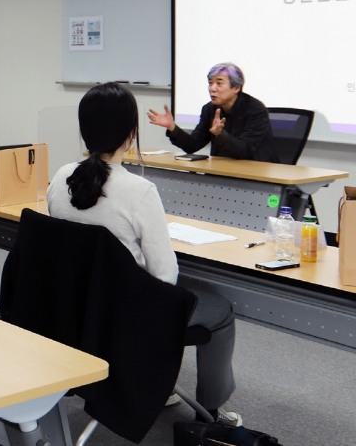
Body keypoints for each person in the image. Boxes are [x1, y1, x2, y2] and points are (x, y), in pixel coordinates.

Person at [47, 82, 242, 426]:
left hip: (73, 311)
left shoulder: (61, 176)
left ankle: (156, 383)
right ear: (130, 134)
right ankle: (210, 413)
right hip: (126, 318)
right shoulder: (139, 191)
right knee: (221, 310)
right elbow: (165, 278)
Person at [147, 62, 278, 162]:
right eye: (210, 83)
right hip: (223, 171)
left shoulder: (255, 110)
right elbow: (192, 145)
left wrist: (220, 135)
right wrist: (172, 127)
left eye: (219, 84)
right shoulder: (209, 109)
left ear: (236, 87)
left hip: (256, 173)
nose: (212, 89)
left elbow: (244, 152)